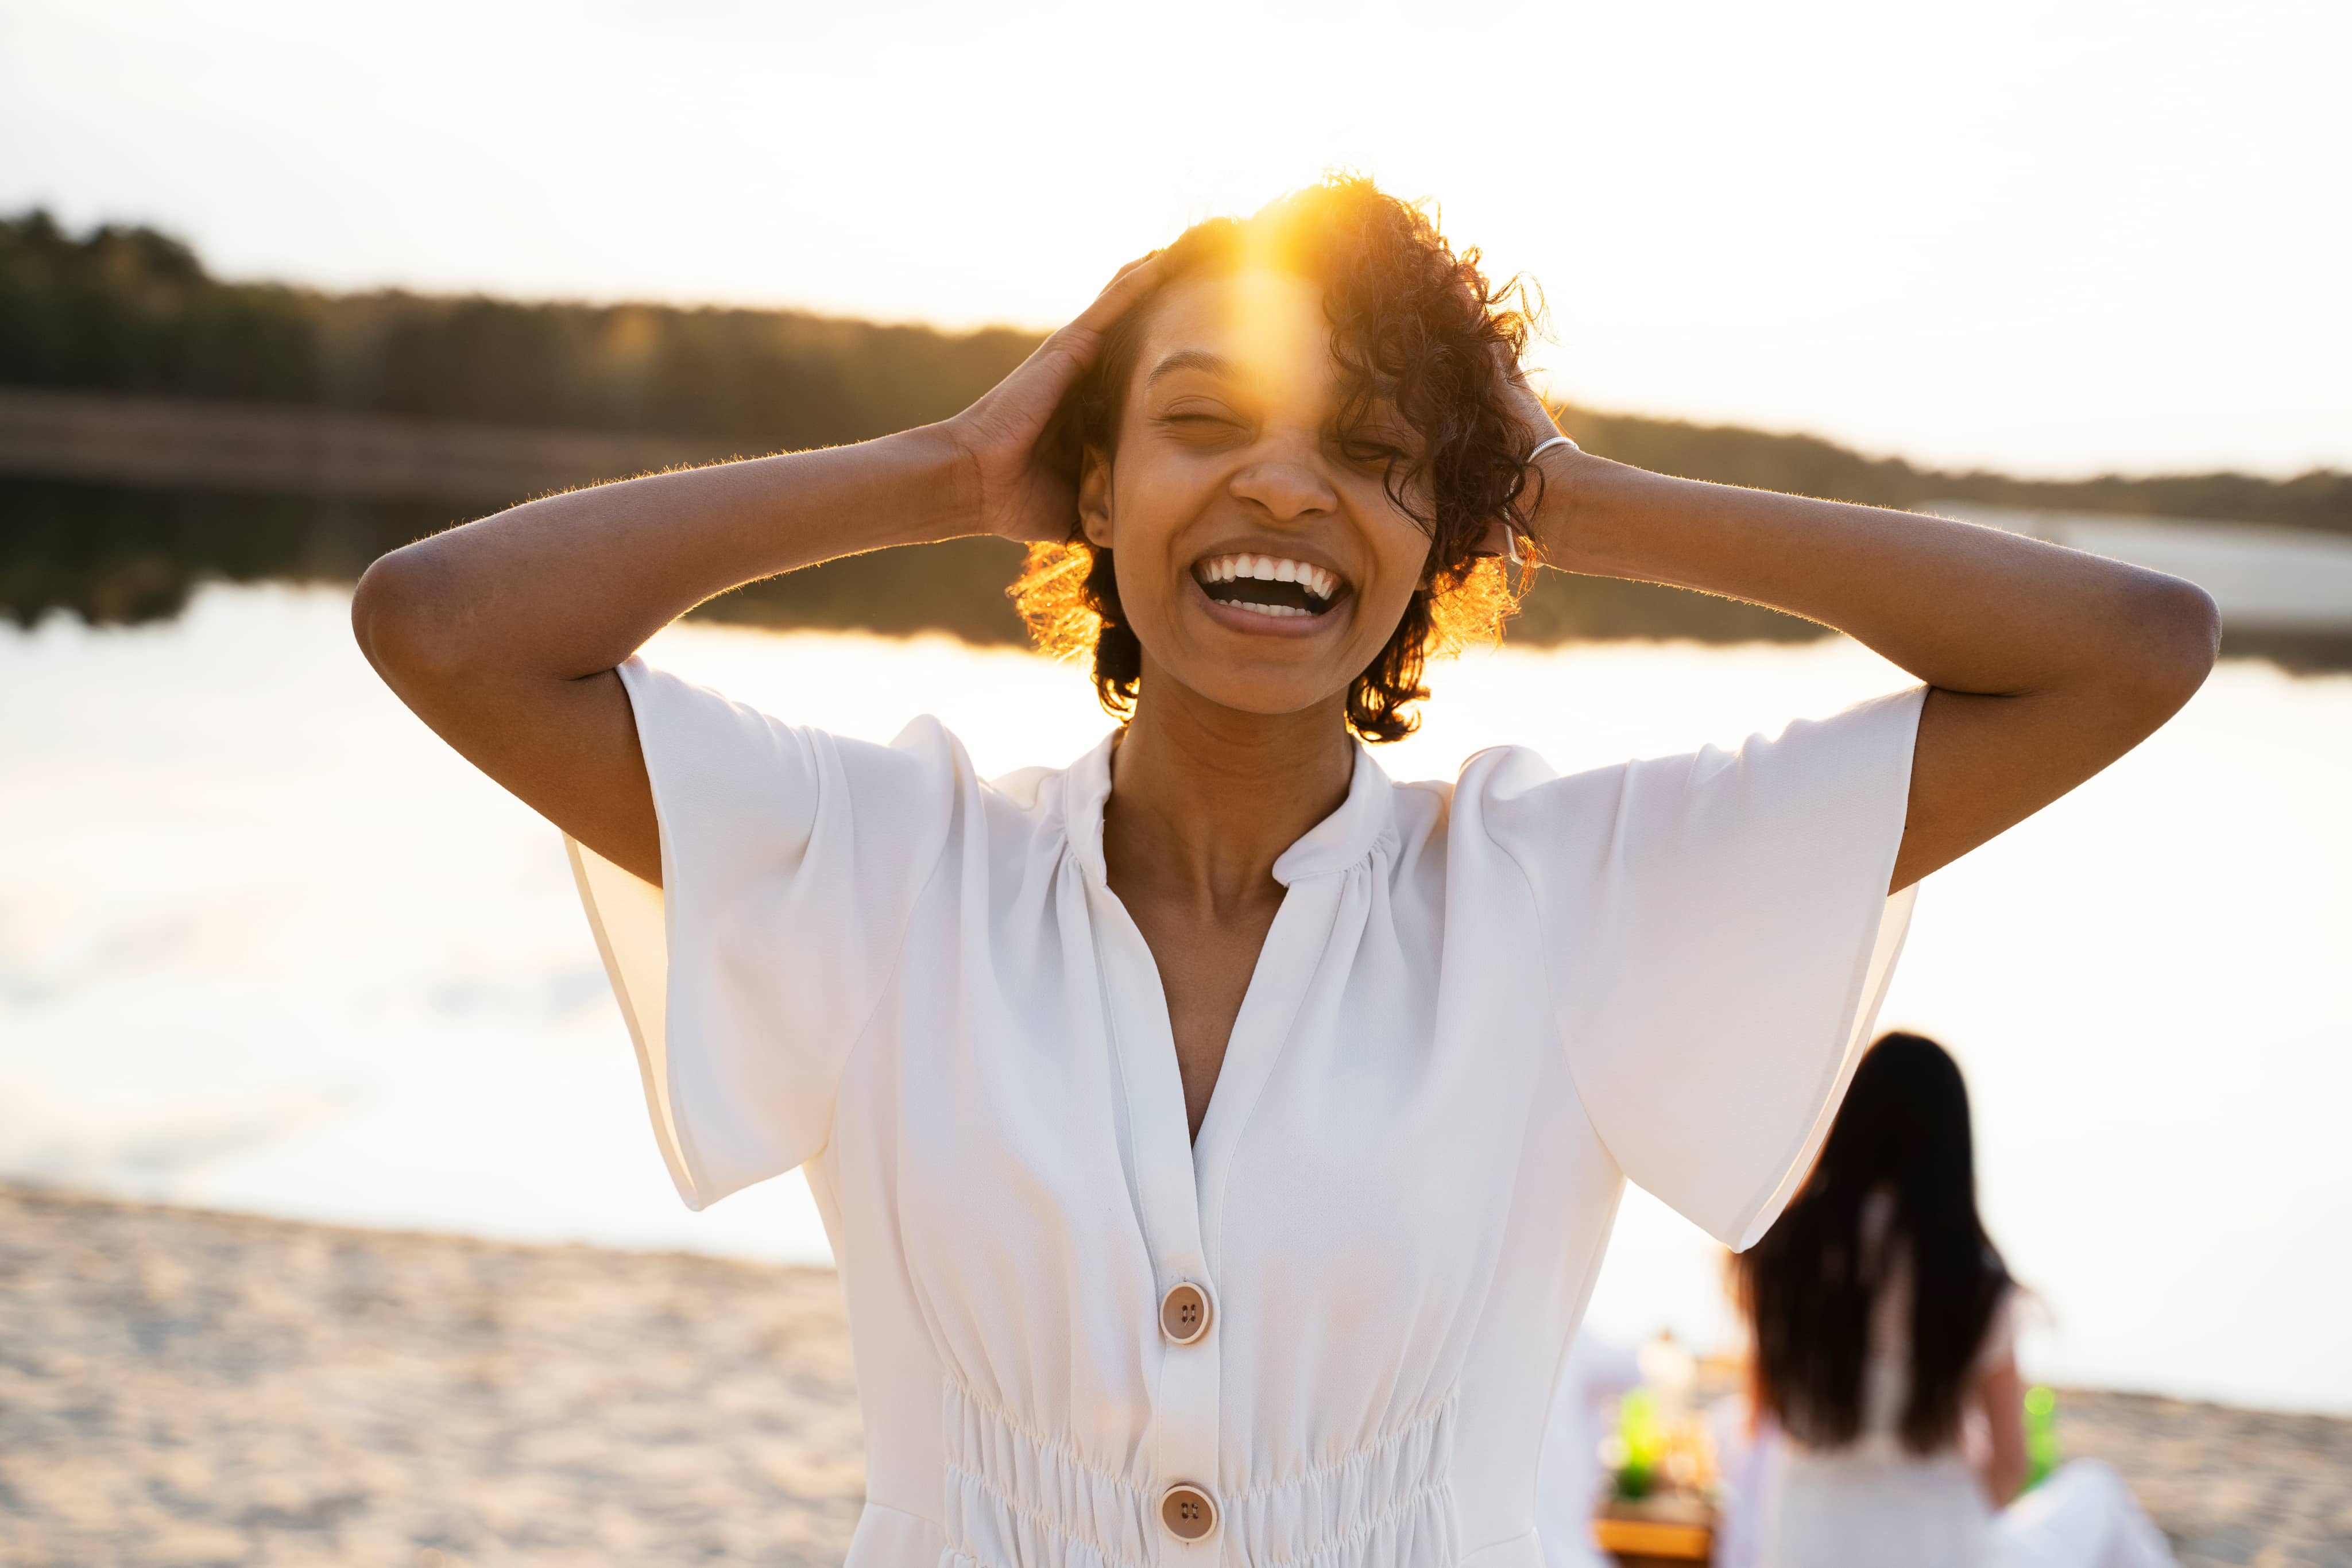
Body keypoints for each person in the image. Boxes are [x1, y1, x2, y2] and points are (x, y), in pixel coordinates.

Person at [352, 176, 2216, 1567]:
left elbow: (2126, 646)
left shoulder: (1566, 895)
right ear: (1087, 488)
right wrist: (939, 463)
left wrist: (1557, 490)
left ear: (1438, 530)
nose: (1278, 489)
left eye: (1372, 452)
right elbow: (441, 626)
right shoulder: (891, 870)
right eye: (1198, 424)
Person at [1734, 1032, 2177, 1567]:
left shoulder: (1780, 1254)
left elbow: (1761, 1414)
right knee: (2099, 1494)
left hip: (1808, 1543)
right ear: (1950, 1143)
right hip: (1937, 1545)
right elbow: (2010, 1465)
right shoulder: (1969, 1278)